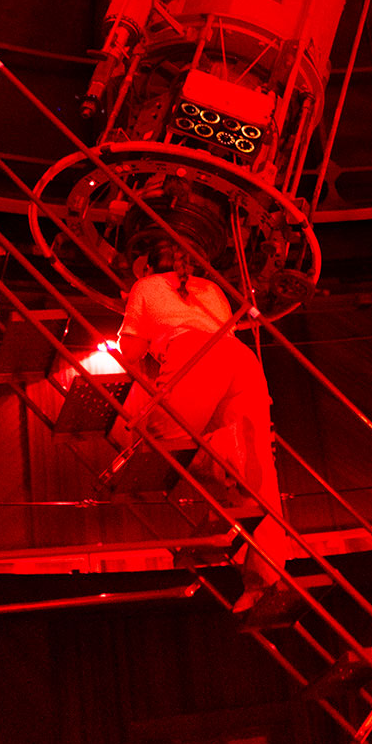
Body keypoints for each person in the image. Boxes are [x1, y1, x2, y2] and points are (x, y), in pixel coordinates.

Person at [111, 231, 300, 624]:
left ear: (146, 265)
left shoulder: (144, 286)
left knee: (160, 444)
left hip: (195, 356)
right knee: (261, 479)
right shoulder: (212, 288)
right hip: (241, 362)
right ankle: (265, 581)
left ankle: (223, 463)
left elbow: (129, 354)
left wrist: (124, 344)